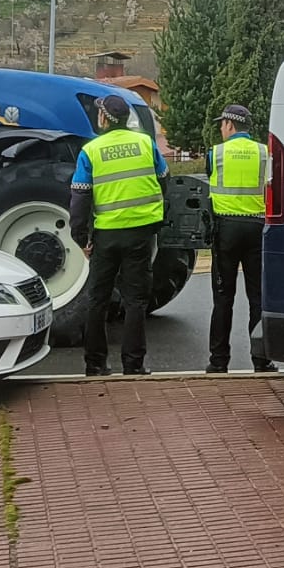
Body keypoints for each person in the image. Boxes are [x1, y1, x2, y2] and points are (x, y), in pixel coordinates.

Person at [69, 95, 167, 376]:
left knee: (97, 299)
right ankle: (134, 365)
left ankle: (95, 364)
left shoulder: (91, 150)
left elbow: (80, 197)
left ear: (103, 119)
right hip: (140, 233)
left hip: (106, 235)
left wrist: (81, 237)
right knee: (136, 300)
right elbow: (164, 179)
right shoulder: (146, 143)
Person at [206, 104, 276, 373]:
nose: (221, 130)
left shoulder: (216, 153)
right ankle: (262, 359)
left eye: (222, 125)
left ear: (229, 125)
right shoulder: (264, 152)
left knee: (223, 298)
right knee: (258, 297)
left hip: (225, 230)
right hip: (257, 229)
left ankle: (218, 361)